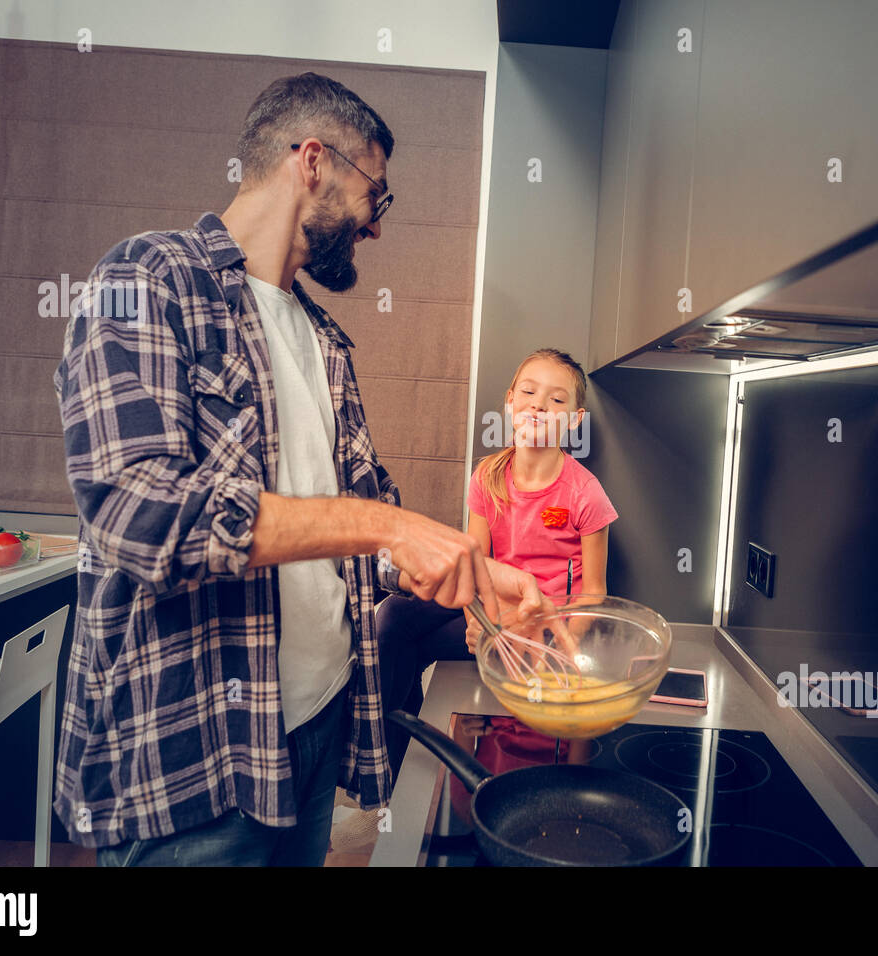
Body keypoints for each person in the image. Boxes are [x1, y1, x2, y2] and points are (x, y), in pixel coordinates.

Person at [52, 72, 550, 867]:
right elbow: (140, 517)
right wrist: (391, 525)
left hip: (314, 731)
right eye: (376, 196)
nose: (376, 227)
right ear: (313, 161)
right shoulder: (145, 281)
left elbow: (363, 519)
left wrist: (475, 574)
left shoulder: (322, 337)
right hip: (198, 758)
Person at [378, 348, 618, 778]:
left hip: (541, 632)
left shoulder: (586, 493)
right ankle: (396, 772)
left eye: (557, 400)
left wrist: (551, 641)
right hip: (492, 613)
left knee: (422, 644)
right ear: (510, 400)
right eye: (528, 391)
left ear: (575, 420)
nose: (539, 405)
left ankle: (447, 758)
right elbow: (474, 566)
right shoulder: (487, 476)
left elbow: (594, 592)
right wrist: (478, 623)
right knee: (394, 617)